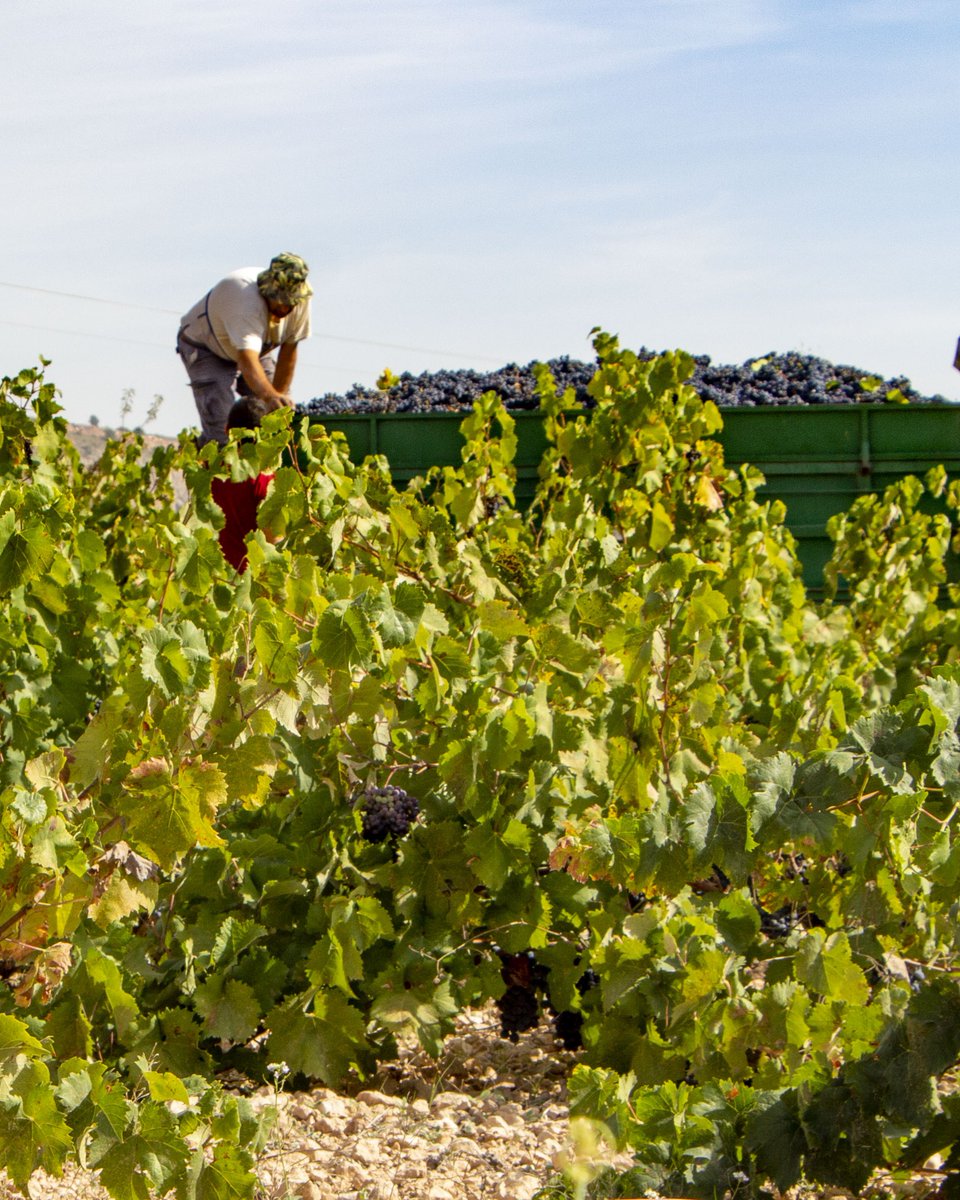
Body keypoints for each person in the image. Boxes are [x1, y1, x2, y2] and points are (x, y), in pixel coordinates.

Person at [177, 252, 312, 446]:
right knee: (222, 431)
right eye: (279, 301)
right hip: (206, 346)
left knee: (274, 422)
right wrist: (270, 396)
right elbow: (247, 359)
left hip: (256, 349)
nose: (284, 308)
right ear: (266, 291)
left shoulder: (302, 300)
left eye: (289, 303)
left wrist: (276, 401)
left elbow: (289, 351)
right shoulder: (245, 300)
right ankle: (202, 453)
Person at [210, 396, 275, 572]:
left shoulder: (212, 472)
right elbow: (274, 541)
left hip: (222, 576)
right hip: (255, 579)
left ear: (227, 430)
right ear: (264, 434)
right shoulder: (266, 480)